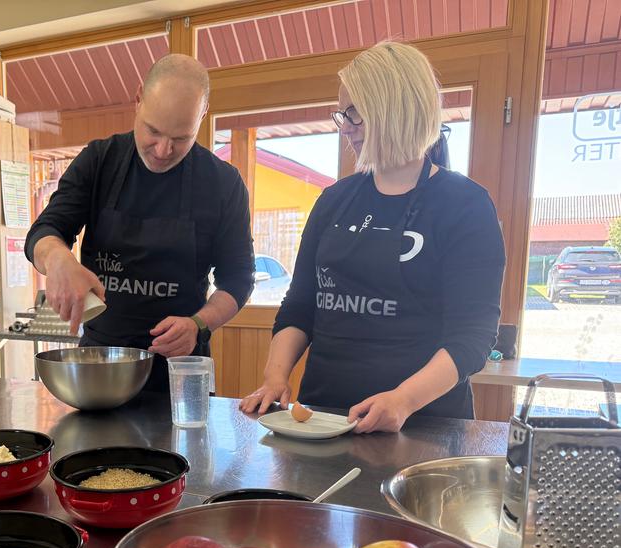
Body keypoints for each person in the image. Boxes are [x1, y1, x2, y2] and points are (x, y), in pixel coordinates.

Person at [240, 41, 505, 432]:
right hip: (323, 422)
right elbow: (300, 306)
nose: (345, 127)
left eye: (355, 114)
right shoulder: (333, 201)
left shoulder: (465, 205)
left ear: (396, 109)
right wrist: (275, 377)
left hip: (423, 426)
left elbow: (472, 339)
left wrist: (403, 400)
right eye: (342, 114)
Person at [25, 54, 254, 391]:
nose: (162, 150)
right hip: (100, 367)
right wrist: (58, 260)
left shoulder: (222, 183)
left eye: (181, 138)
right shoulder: (99, 161)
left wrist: (199, 325)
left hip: (179, 375)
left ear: (201, 118)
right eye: (153, 131)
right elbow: (45, 232)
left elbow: (238, 280)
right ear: (138, 100)